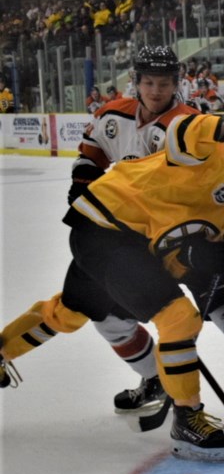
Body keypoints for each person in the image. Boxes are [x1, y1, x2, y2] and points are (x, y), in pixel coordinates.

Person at [3, 106, 224, 462]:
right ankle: (187, 420)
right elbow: (185, 129)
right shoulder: (209, 149)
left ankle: (2, 350)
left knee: (67, 312)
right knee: (177, 318)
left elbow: (179, 239)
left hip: (128, 235)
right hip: (106, 231)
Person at [0, 47, 200, 413]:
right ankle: (159, 379)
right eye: (149, 82)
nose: (157, 91)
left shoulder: (188, 124)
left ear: (176, 84)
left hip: (151, 237)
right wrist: (82, 185)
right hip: (111, 233)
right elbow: (91, 154)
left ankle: (169, 388)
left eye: (165, 83)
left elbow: (204, 180)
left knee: (80, 309)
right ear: (136, 82)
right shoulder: (112, 114)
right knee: (103, 316)